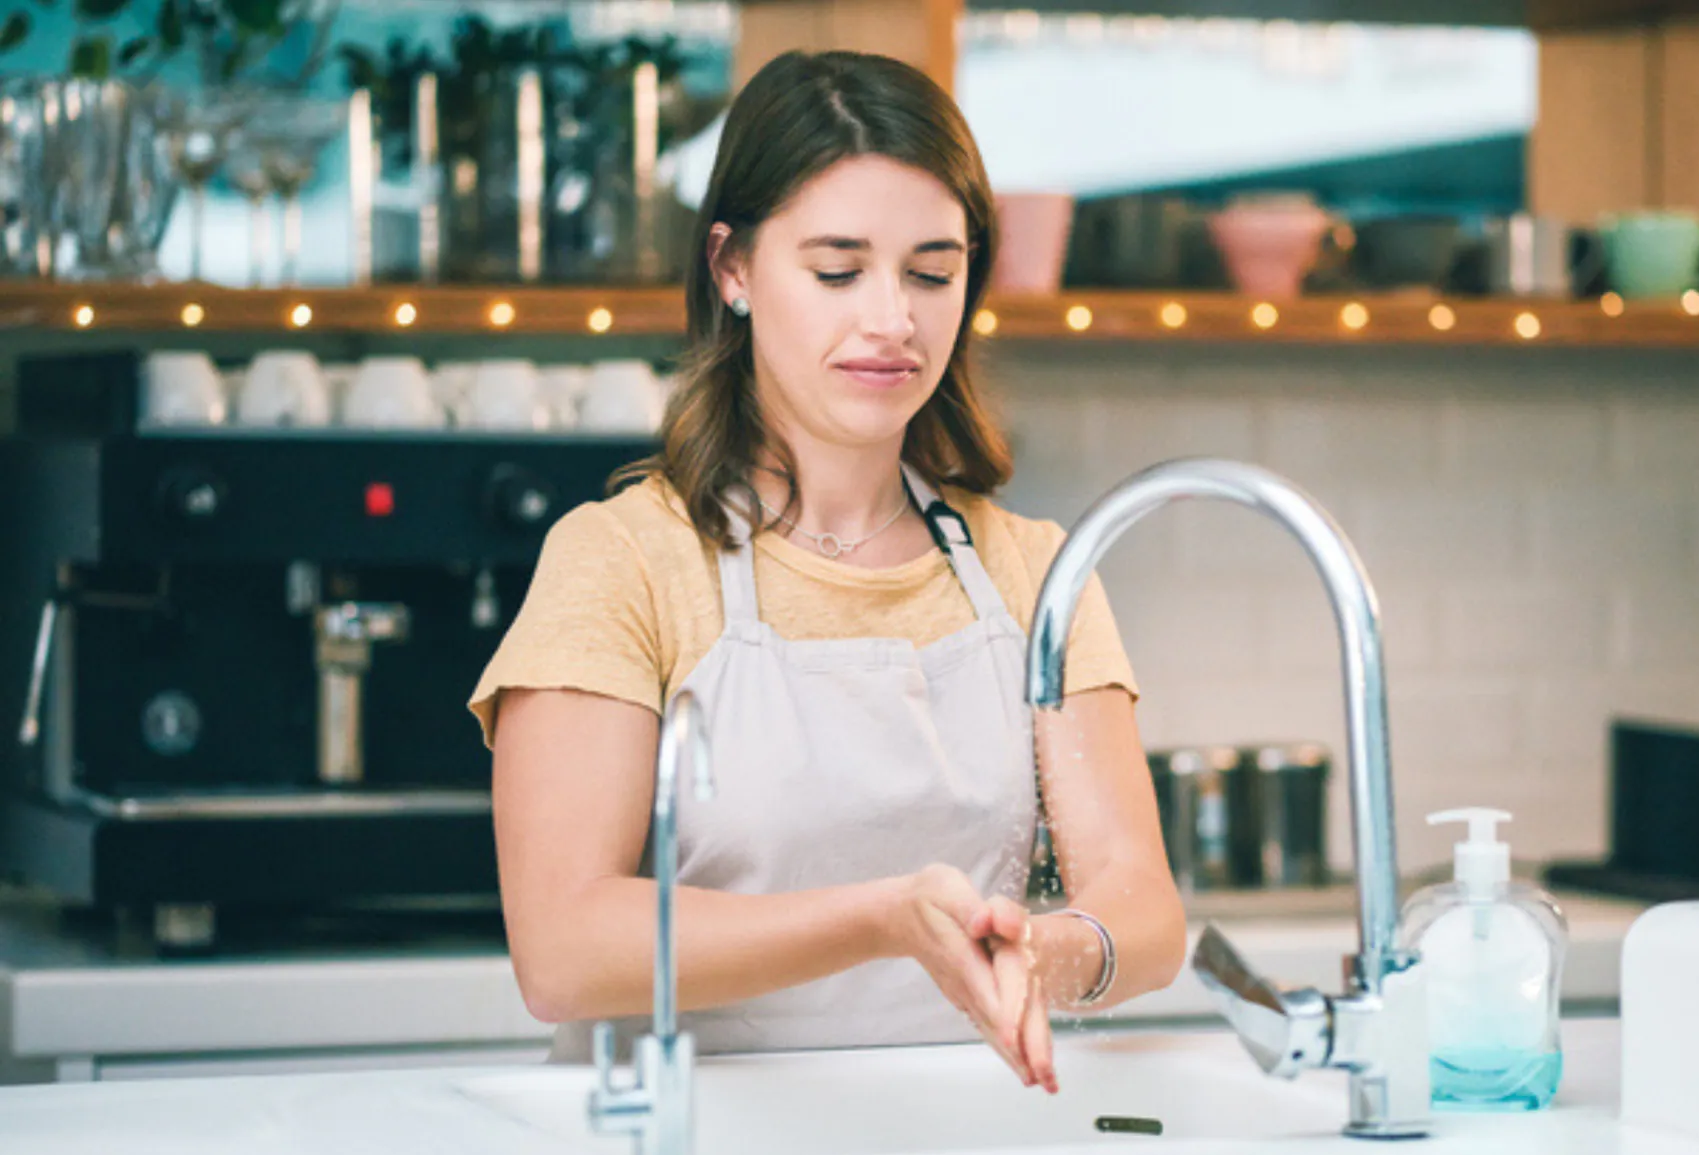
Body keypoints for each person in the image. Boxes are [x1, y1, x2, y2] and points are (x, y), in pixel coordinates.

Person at [469, 50, 1185, 1092]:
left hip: (958, 1125)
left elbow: (1141, 907)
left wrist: (1048, 951)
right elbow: (565, 948)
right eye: (838, 270)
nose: (892, 319)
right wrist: (881, 920)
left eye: (932, 273)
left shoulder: (1031, 573)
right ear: (733, 270)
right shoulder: (622, 561)